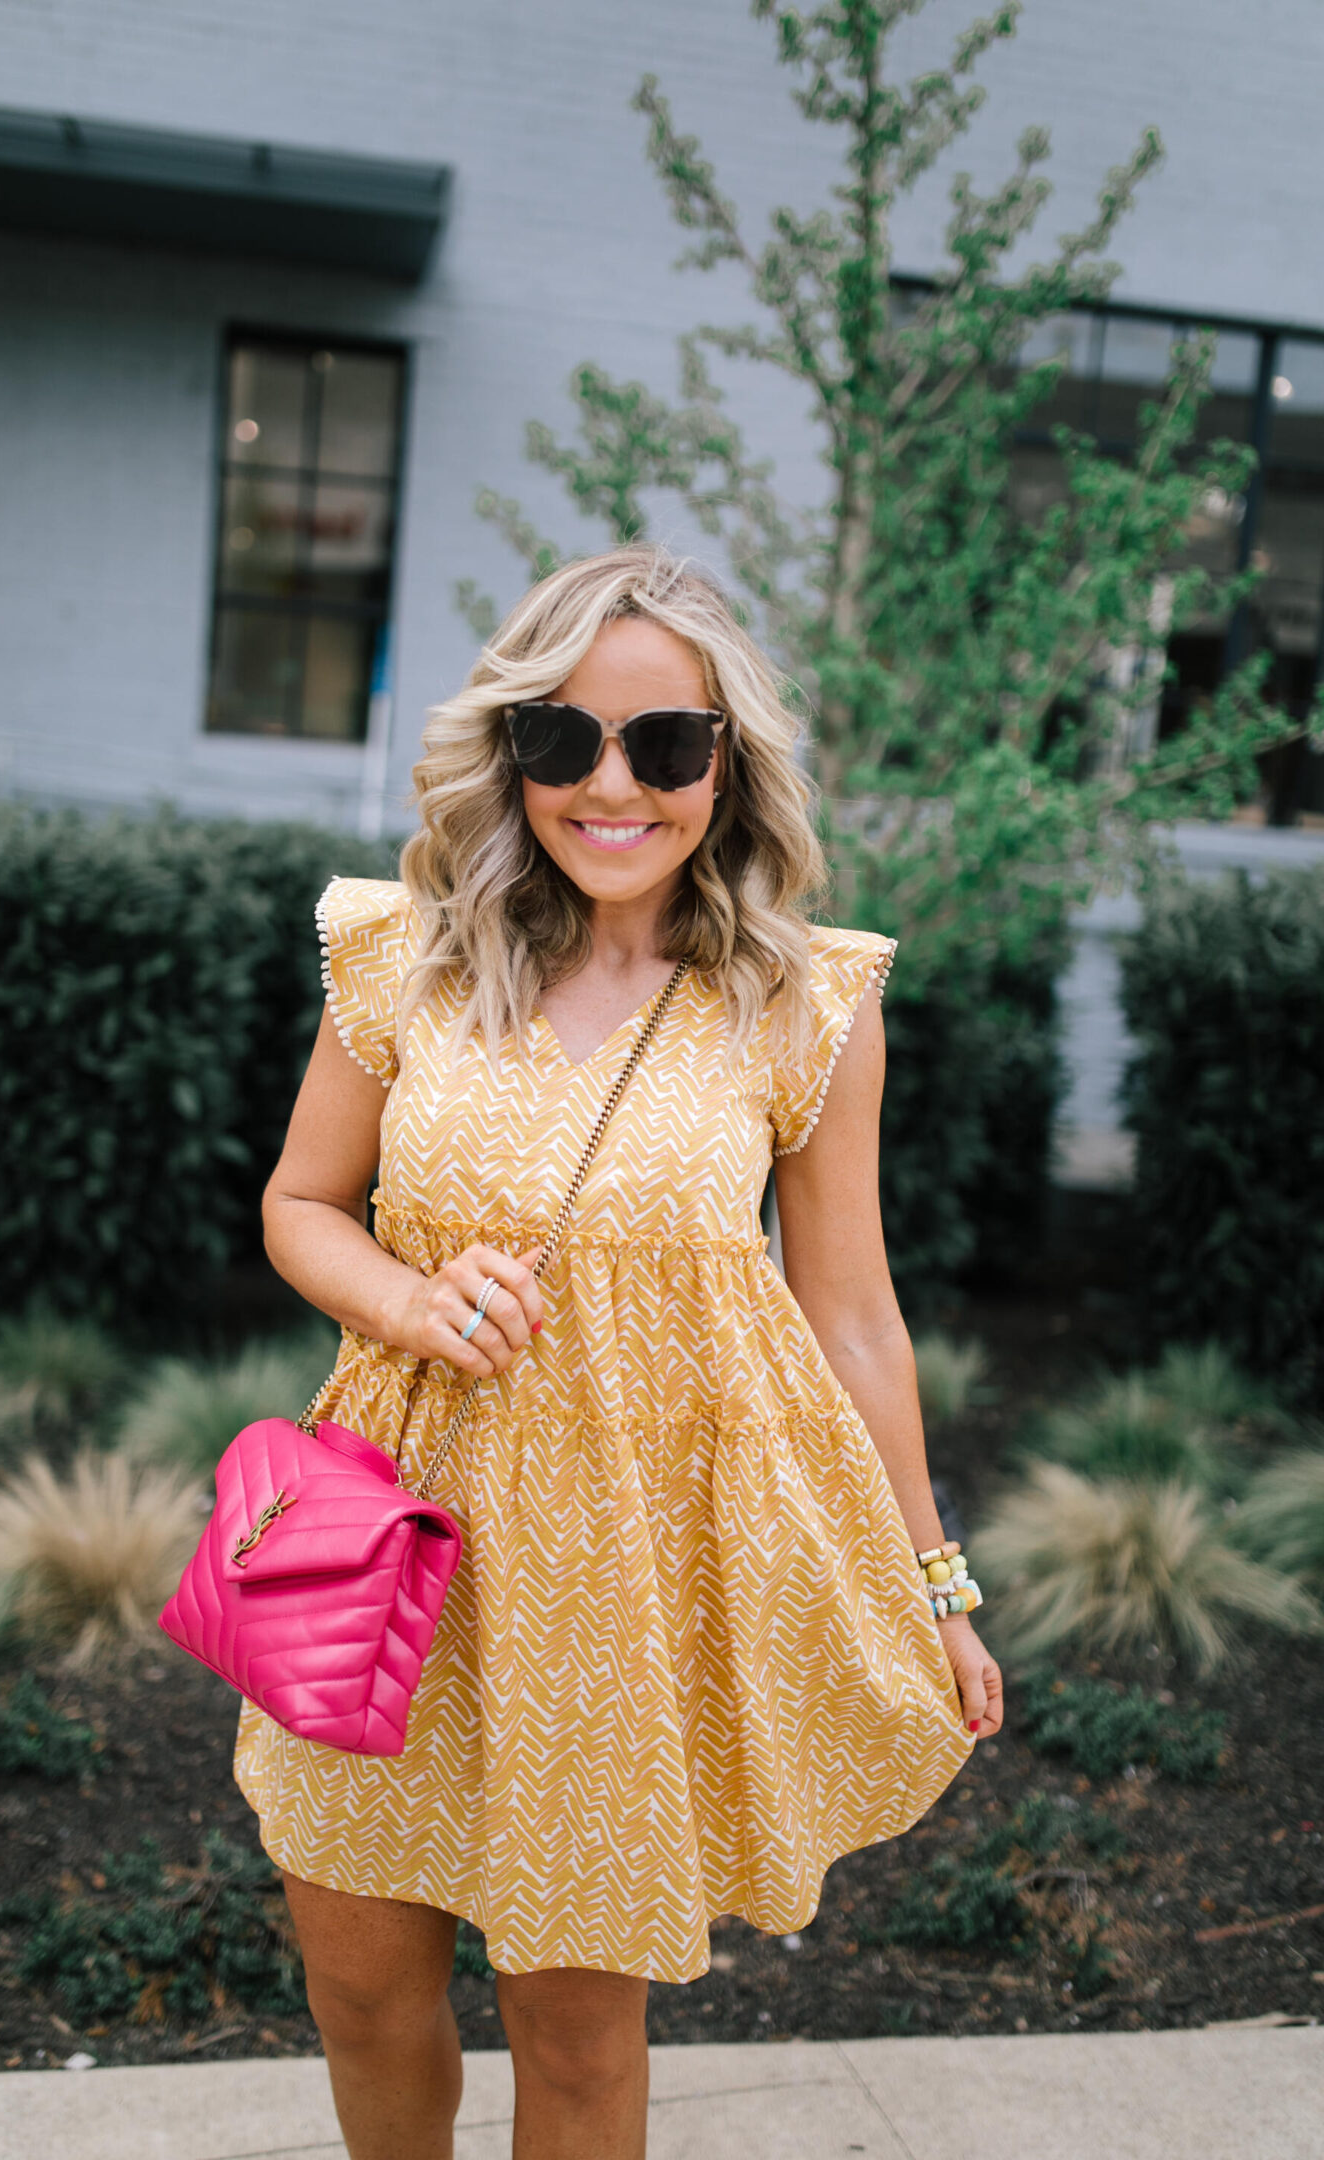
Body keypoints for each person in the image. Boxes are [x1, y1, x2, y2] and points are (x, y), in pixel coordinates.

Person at [235, 544, 1003, 2160]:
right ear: (508, 751)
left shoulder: (803, 1004)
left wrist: (934, 1581)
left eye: (666, 746)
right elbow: (302, 1204)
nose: (614, 786)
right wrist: (403, 1299)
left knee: (577, 2041)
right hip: (379, 1525)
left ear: (729, 763)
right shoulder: (402, 956)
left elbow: (854, 1311)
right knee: (363, 1987)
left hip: (619, 1589)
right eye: (562, 739)